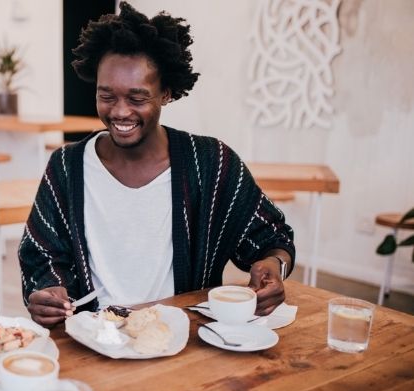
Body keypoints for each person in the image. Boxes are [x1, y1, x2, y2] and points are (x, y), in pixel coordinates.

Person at [19, 2, 295, 327]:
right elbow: (42, 255)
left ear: (165, 93)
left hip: (183, 343)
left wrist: (274, 265)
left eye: (137, 98)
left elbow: (271, 238)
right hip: (92, 341)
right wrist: (47, 292)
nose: (120, 112)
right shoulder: (66, 167)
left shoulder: (210, 163)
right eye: (107, 96)